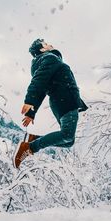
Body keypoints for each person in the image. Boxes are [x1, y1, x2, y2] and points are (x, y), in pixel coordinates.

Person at [13, 39, 88, 168]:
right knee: (67, 136)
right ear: (42, 49)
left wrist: (32, 111)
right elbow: (39, 81)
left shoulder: (48, 61)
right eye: (46, 43)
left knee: (69, 141)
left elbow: (41, 87)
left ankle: (33, 140)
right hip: (66, 100)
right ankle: (30, 147)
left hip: (61, 102)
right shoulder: (50, 58)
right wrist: (29, 101)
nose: (49, 44)